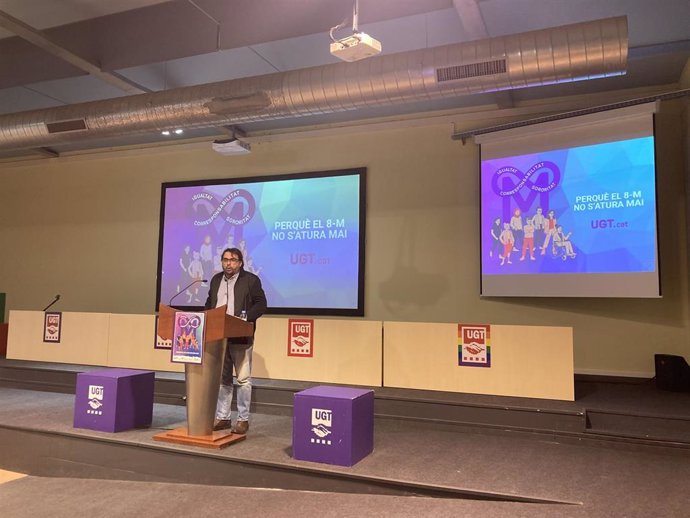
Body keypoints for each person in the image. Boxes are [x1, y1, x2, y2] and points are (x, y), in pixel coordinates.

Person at [205, 247, 267, 435]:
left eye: (232, 260)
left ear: (240, 262)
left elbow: (261, 304)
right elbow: (210, 303)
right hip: (219, 337)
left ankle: (242, 419)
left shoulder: (251, 280)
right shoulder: (216, 280)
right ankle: (223, 417)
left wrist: (246, 318)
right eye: (225, 259)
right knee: (223, 380)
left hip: (240, 335)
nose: (228, 263)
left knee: (243, 379)